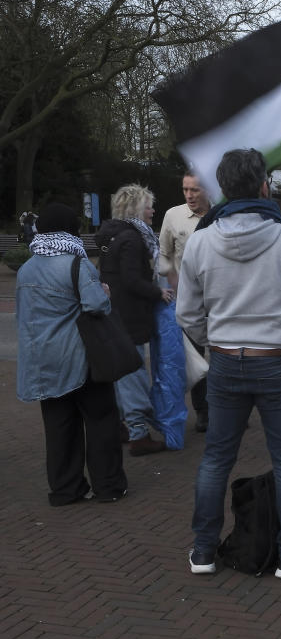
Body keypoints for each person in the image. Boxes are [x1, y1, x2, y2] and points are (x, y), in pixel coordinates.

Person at [176, 148, 281, 578]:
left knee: (215, 458)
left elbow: (186, 314)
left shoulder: (201, 241)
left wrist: (219, 341)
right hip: (278, 362)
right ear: (264, 185)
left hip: (227, 362)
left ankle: (204, 551)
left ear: (222, 189)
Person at [16, 203, 127, 505]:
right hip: (81, 358)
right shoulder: (77, 263)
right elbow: (96, 306)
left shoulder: (26, 269)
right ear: (71, 230)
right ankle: (109, 486)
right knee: (101, 420)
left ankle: (66, 489)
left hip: (43, 362)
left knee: (58, 426)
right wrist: (104, 292)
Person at [95, 184, 174, 455]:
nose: (153, 210)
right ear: (136, 208)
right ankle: (139, 434)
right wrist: (157, 292)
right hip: (131, 316)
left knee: (121, 374)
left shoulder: (111, 236)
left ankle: (120, 427)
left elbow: (109, 275)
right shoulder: (132, 238)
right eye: (149, 205)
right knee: (134, 373)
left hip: (114, 314)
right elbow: (131, 279)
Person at [158, 172, 212, 431]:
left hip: (222, 300)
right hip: (189, 302)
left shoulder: (222, 214)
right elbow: (164, 254)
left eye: (195, 190)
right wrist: (172, 279)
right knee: (197, 359)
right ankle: (203, 411)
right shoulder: (173, 216)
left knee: (226, 355)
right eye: (185, 189)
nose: (189, 195)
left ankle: (229, 407)